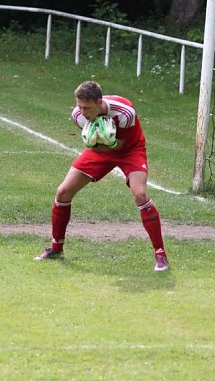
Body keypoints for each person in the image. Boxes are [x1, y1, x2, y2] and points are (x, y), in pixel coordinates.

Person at [35, 80, 170, 271]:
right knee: (63, 192)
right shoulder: (78, 116)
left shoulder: (125, 112)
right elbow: (94, 144)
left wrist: (110, 142)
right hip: (100, 151)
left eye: (87, 108)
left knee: (140, 195)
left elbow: (122, 144)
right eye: (79, 106)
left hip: (129, 150)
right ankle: (56, 247)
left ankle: (160, 254)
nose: (83, 112)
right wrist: (94, 143)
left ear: (99, 102)